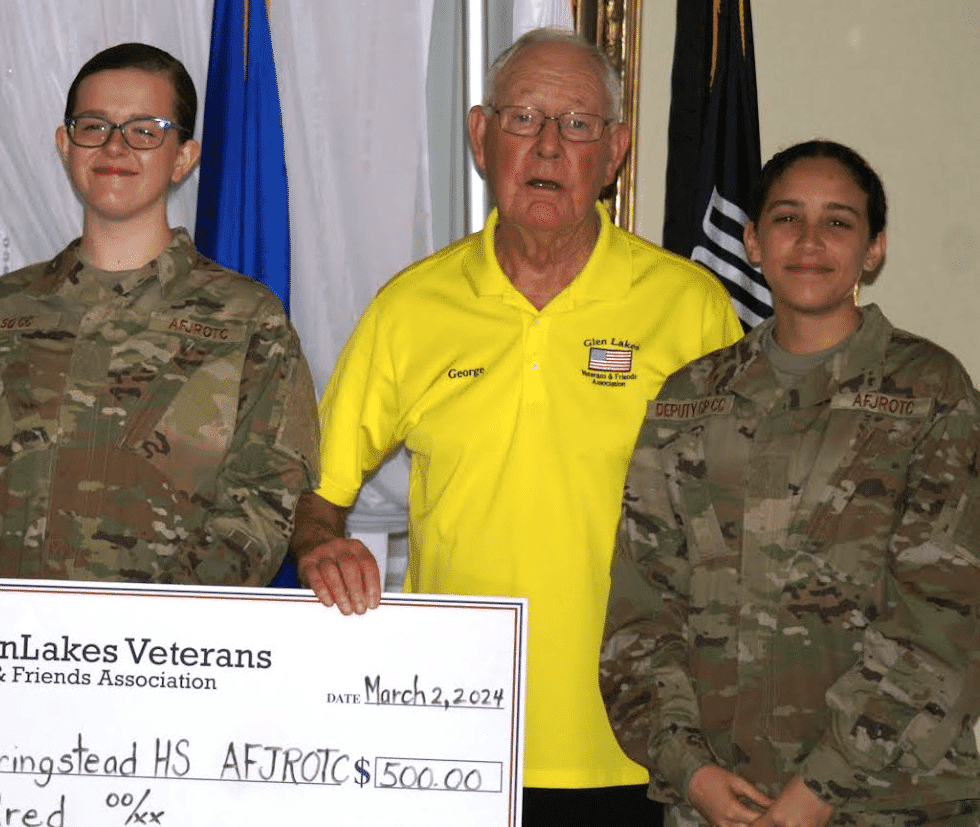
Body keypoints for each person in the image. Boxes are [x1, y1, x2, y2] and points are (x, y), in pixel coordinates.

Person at [289, 26, 742, 826]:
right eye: (524, 118)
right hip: (456, 735)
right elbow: (315, 491)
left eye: (576, 125)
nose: (547, 147)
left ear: (614, 152)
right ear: (479, 135)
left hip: (644, 735)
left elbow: (745, 516)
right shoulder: (409, 308)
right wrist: (321, 541)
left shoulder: (689, 306)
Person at [600, 140, 980, 827]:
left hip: (891, 800)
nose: (809, 241)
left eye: (837, 221)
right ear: (750, 240)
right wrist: (692, 773)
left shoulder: (930, 390)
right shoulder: (689, 398)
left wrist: (820, 788)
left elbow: (945, 618)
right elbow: (639, 612)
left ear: (873, 249)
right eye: (785, 218)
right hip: (721, 803)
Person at [0, 43, 318, 584]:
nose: (115, 146)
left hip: (165, 654)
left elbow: (262, 503)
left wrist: (148, 638)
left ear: (184, 157)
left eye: (145, 130)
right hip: (5, 647)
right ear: (65, 144)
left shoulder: (248, 321)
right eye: (94, 126)